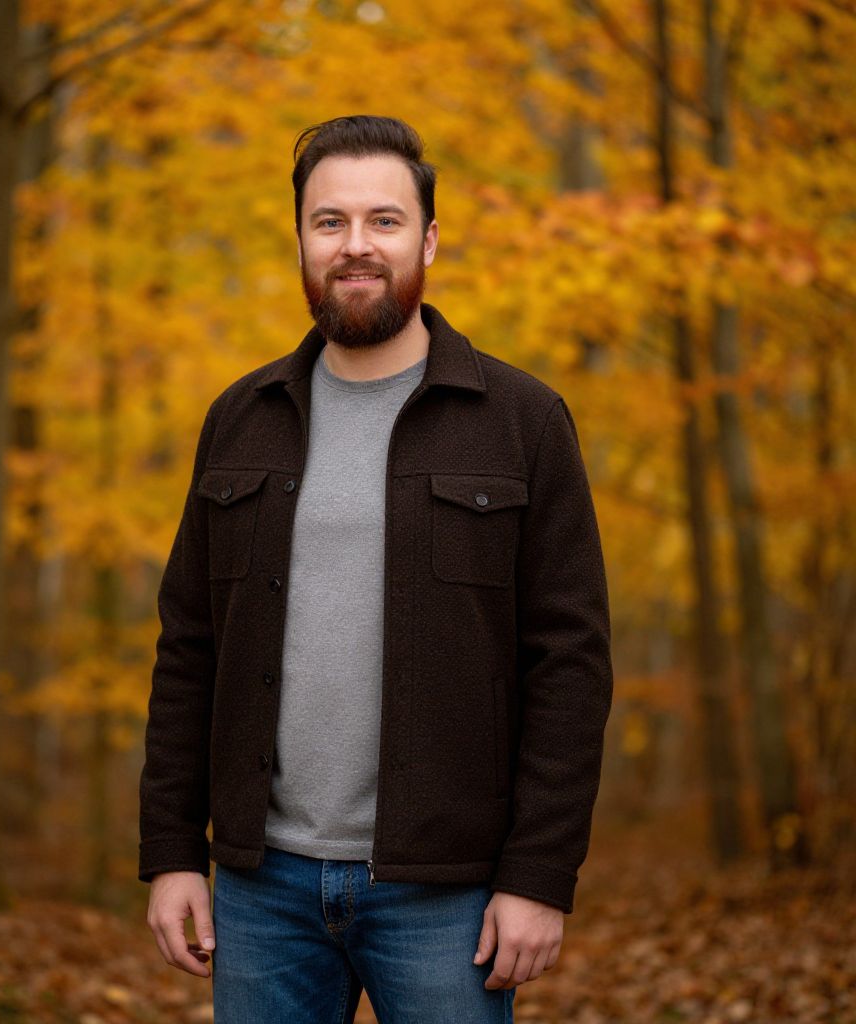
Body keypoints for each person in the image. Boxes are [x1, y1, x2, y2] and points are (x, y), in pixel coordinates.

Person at [139, 114, 613, 1023]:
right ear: (301, 240)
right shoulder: (239, 418)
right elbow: (188, 647)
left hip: (449, 896)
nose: (357, 246)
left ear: (429, 238)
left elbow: (571, 663)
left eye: (385, 221)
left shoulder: (522, 420)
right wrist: (170, 851)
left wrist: (541, 874)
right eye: (331, 222)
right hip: (260, 889)